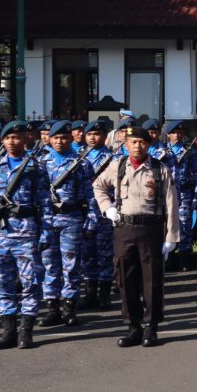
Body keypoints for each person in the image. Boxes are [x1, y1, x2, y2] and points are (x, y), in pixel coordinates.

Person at [93, 125, 180, 348]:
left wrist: (171, 237)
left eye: (142, 142)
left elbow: (171, 204)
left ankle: (151, 327)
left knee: (152, 280)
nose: (138, 146)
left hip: (150, 229)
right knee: (125, 277)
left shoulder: (160, 170)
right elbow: (98, 186)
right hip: (124, 228)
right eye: (133, 142)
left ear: (148, 144)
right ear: (126, 144)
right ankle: (133, 326)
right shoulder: (117, 166)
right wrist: (107, 208)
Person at [0, 121, 52, 349]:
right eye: (7, 138)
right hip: (0, 234)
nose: (11, 142)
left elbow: (46, 203)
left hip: (27, 233)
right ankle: (8, 330)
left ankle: (26, 330)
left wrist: (46, 232)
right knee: (2, 281)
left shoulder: (35, 167)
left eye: (16, 137)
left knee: (30, 283)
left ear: (25, 139)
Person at [38, 120, 95, 327]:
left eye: (64, 137)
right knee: (49, 264)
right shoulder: (40, 163)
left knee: (71, 265)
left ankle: (69, 308)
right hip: (47, 220)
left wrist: (92, 219)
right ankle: (52, 307)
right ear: (49, 140)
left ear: (71, 138)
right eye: (55, 138)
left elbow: (90, 195)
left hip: (71, 218)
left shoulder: (81, 163)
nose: (60, 141)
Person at [81, 119, 117, 310]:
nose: (93, 138)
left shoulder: (113, 159)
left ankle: (104, 295)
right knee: (87, 254)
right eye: (89, 134)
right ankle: (89, 293)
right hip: (85, 214)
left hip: (104, 213)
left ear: (105, 136)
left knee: (104, 254)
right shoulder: (79, 157)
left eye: (97, 134)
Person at [157, 120, 197, 271]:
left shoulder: (189, 151)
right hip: (166, 194)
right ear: (168, 134)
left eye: (179, 132)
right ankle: (168, 256)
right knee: (167, 224)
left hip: (184, 193)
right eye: (174, 132)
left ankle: (185, 257)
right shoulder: (161, 152)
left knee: (185, 225)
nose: (177, 135)